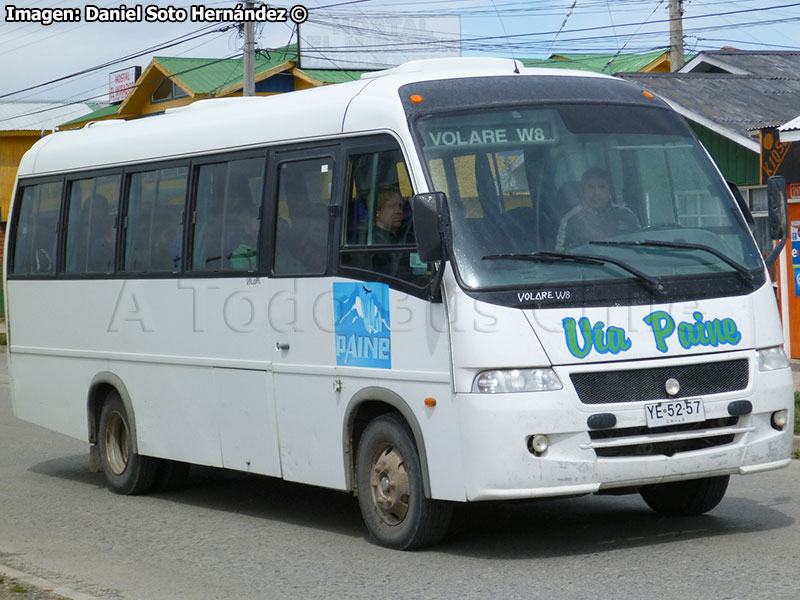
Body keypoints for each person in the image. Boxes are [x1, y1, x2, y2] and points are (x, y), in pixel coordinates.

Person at [555, 168, 638, 251]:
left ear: (609, 191)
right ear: (583, 191)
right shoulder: (571, 220)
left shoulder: (626, 214)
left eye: (602, 187)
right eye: (590, 187)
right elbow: (561, 254)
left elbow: (639, 245)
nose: (596, 193)